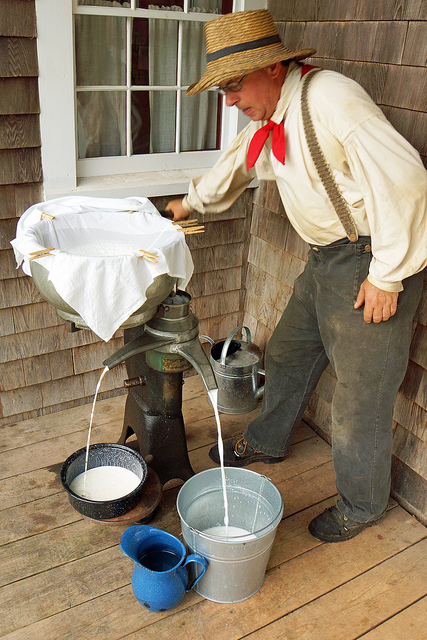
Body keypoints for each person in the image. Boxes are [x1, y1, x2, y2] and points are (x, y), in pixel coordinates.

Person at [166, 9, 427, 542]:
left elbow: (406, 180)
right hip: (325, 260)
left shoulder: (330, 99)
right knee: (286, 352)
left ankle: (363, 505)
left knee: (361, 398)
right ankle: (268, 439)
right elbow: (239, 162)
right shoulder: (274, 116)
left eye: (234, 86)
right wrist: (191, 203)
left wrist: (388, 276)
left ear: (273, 68)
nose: (230, 101)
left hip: (369, 261)